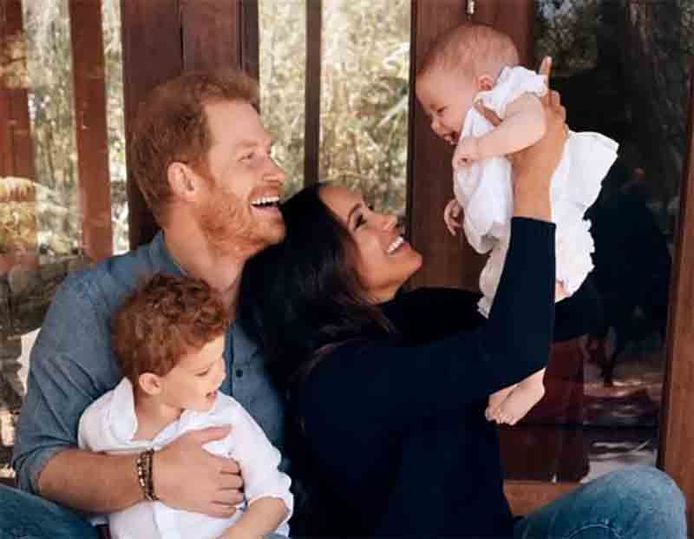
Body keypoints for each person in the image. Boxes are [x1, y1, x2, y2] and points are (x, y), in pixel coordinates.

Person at [241, 72, 686, 536]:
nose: (387, 220)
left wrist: (547, 186)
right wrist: (529, 180)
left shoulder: (419, 314)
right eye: (362, 222)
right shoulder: (338, 381)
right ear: (321, 270)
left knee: (642, 499)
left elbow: (573, 313)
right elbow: (513, 351)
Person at [1, 70, 287, 538]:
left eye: (269, 154)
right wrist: (150, 476)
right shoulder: (93, 302)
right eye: (249, 158)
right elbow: (38, 463)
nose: (275, 172)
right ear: (186, 181)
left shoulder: (288, 293)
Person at [415, 25, 619, 425]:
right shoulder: (485, 122)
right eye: (429, 118)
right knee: (502, 300)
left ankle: (532, 380)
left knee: (531, 300)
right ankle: (511, 374)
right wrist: (462, 202)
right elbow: (495, 183)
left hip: (553, 228)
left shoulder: (517, 95)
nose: (437, 126)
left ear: (484, 85)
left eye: (440, 111)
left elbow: (532, 129)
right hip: (519, 233)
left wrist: (480, 146)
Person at [78, 274, 293, 538]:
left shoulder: (227, 418)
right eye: (203, 372)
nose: (221, 375)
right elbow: (95, 512)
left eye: (220, 359)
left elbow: (275, 496)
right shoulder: (100, 425)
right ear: (153, 384)